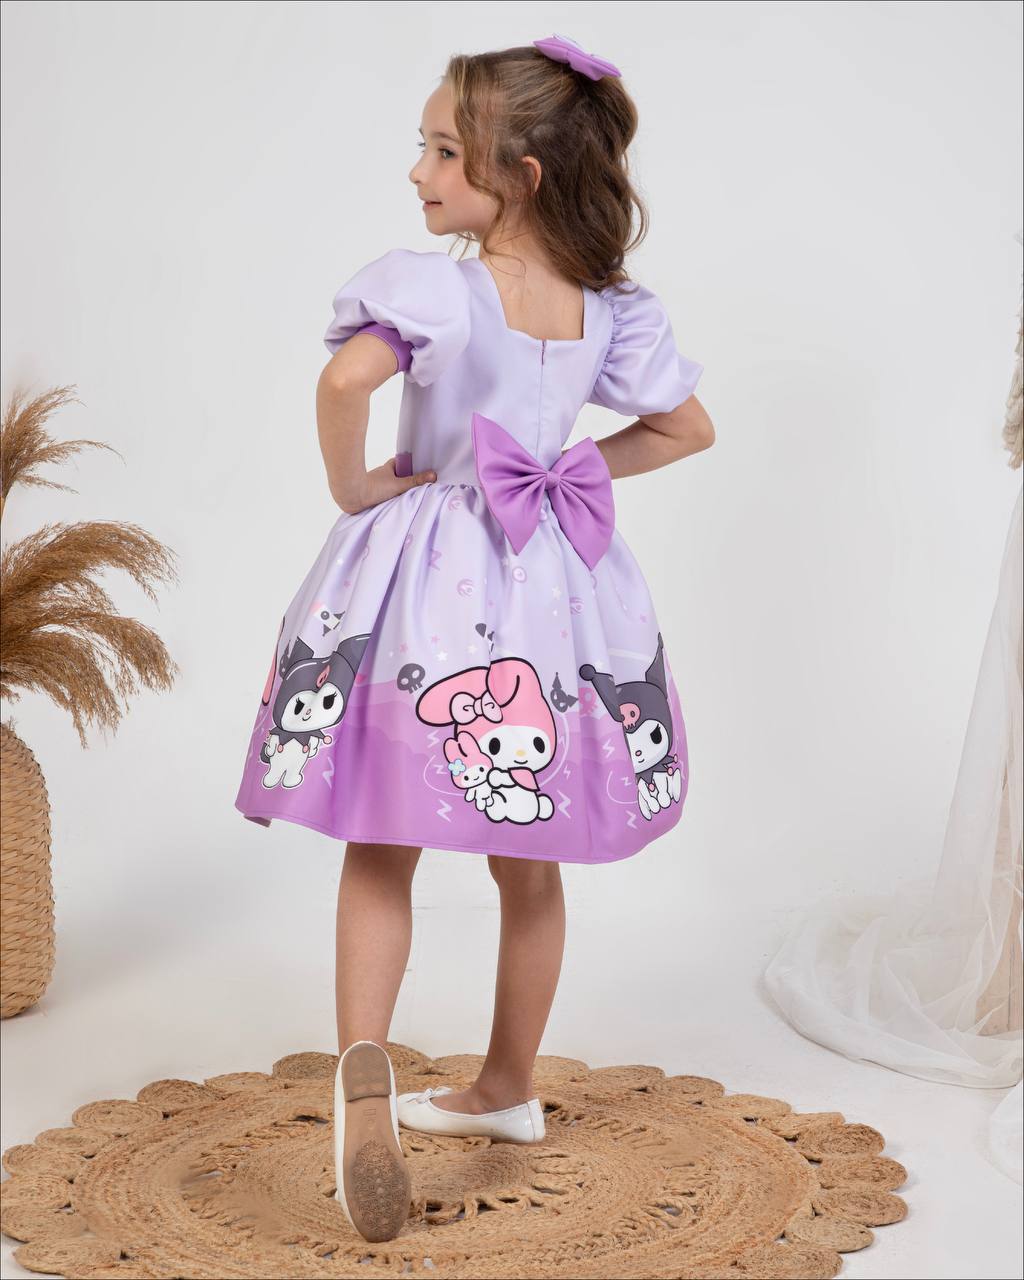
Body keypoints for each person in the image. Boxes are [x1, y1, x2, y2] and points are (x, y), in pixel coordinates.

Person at [234, 33, 715, 1242]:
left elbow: (345, 385)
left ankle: (366, 1076)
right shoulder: (609, 309)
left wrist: (354, 486)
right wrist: (569, 470)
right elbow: (686, 427)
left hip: (427, 580)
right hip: (552, 593)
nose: (418, 172)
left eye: (444, 151)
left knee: (381, 840)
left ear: (522, 173)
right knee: (529, 856)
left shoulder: (435, 288)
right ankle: (507, 1083)